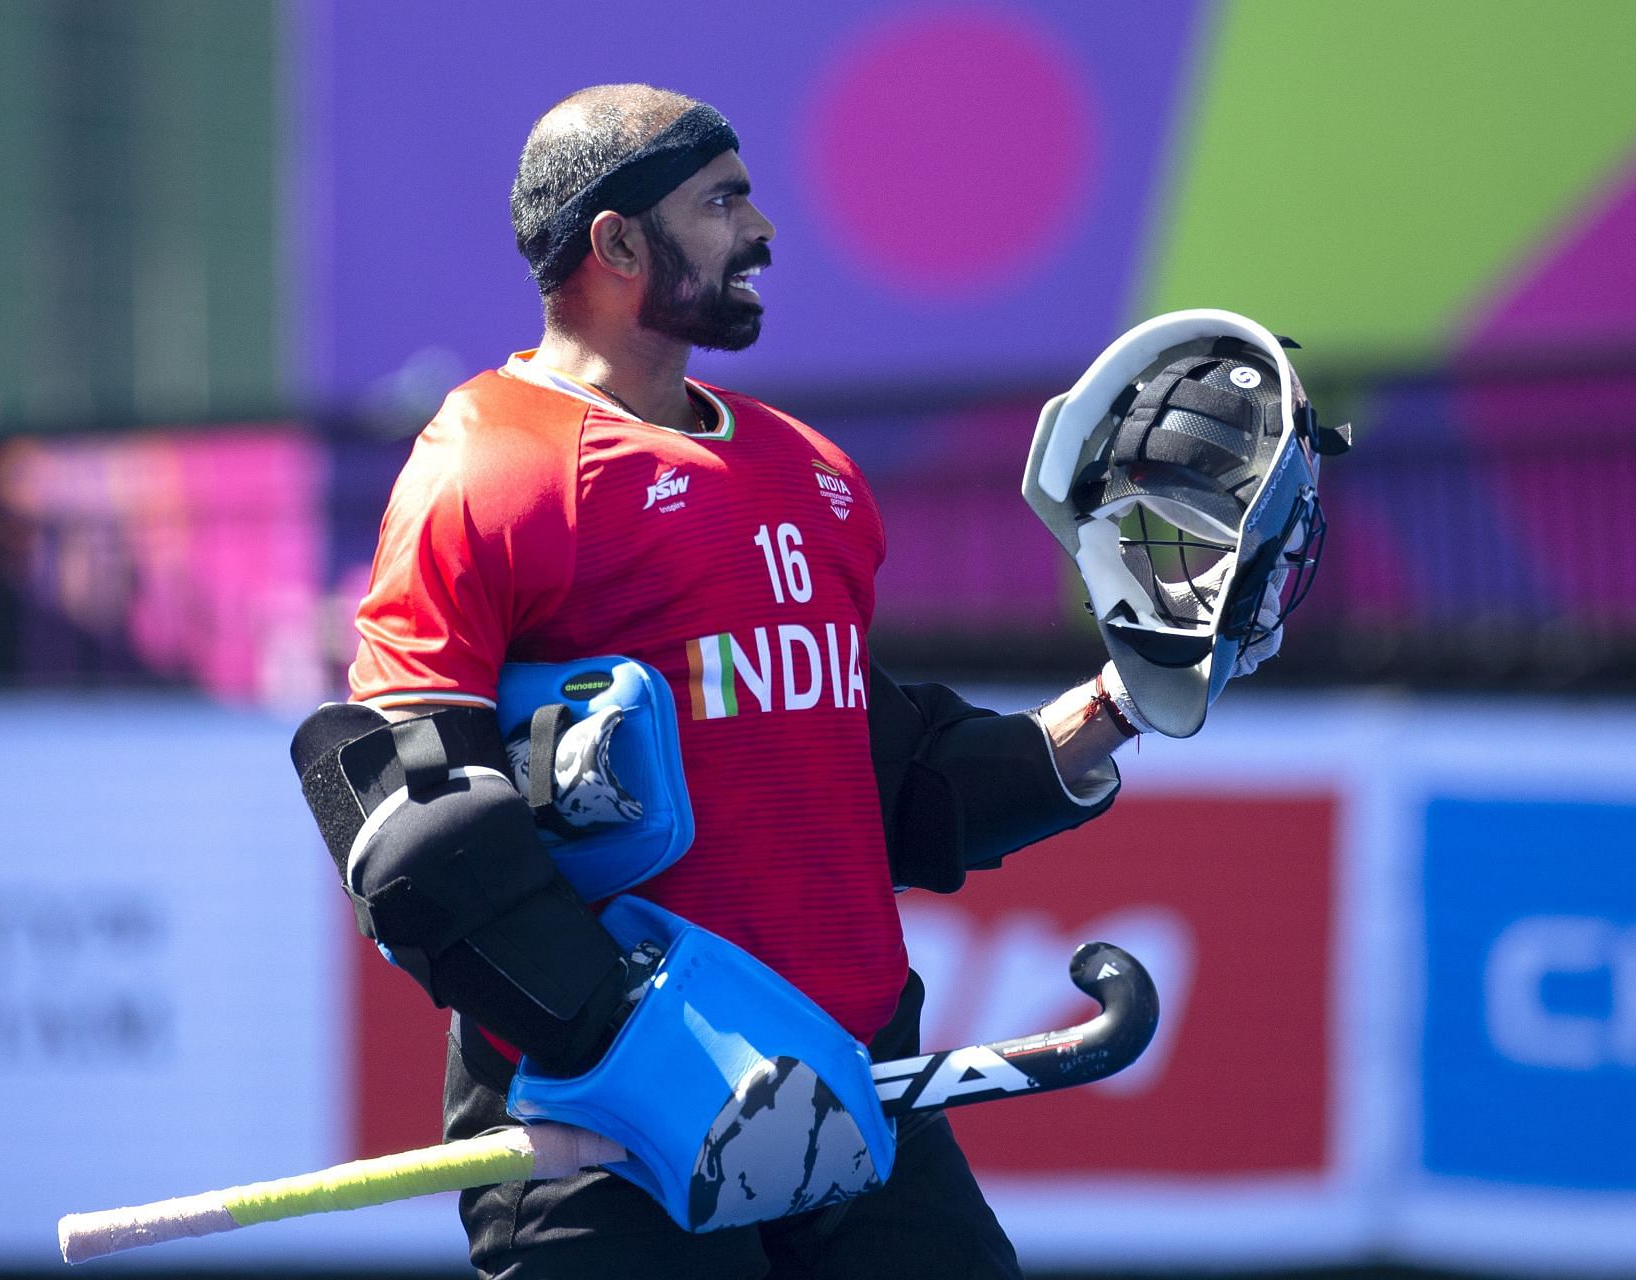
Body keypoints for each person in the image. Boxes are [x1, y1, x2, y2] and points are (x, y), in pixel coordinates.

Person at [326, 84, 1250, 1279]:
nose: (760, 229)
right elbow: (408, 816)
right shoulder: (489, 466)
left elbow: (864, 763)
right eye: (720, 201)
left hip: (858, 1090)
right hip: (604, 1140)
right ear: (614, 244)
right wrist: (626, 1056)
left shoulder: (812, 472)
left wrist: (1124, 699)